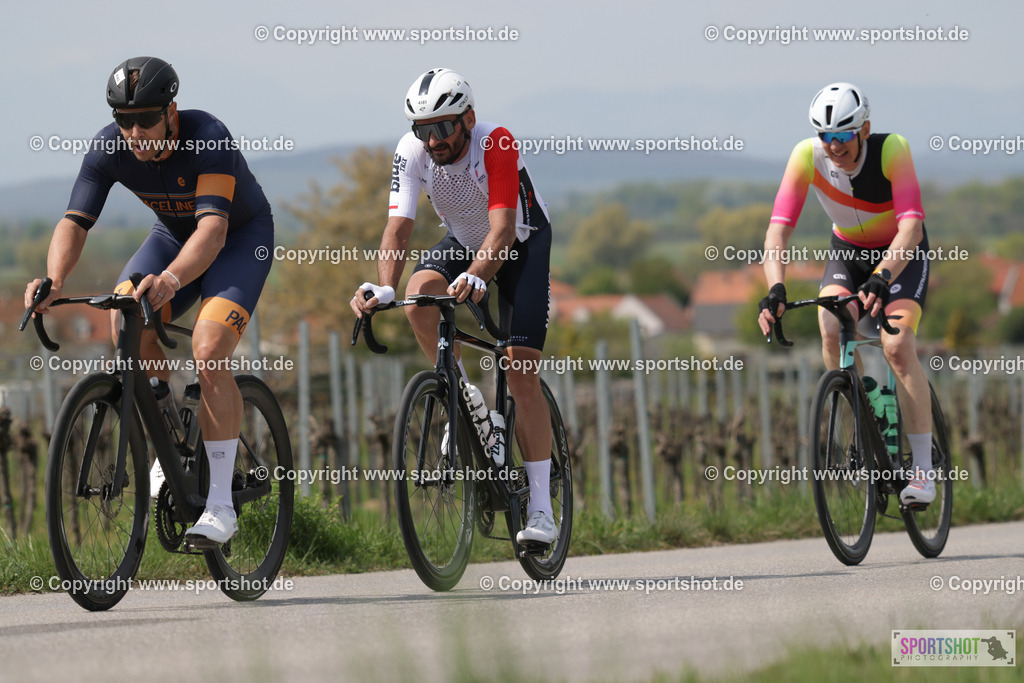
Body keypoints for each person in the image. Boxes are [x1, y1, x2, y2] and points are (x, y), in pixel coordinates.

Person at [25, 56, 274, 545]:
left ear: (171, 112)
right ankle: (168, 431)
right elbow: (74, 222)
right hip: (173, 236)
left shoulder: (208, 136)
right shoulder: (107, 148)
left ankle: (221, 504)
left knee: (208, 348)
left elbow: (214, 230)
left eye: (145, 119)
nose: (134, 132)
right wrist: (54, 279)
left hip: (238, 239)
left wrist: (171, 279)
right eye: (124, 121)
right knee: (124, 322)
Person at [350, 67, 557, 544]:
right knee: (419, 296)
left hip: (521, 244)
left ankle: (542, 510)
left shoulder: (496, 143)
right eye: (423, 130)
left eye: (443, 127)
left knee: (520, 367)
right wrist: (385, 286)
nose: (434, 140)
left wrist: (477, 275)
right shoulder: (411, 152)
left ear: (469, 119)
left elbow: (503, 231)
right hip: (465, 240)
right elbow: (398, 228)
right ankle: (465, 396)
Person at [757, 82, 935, 506]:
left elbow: (910, 226)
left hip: (901, 254)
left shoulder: (893, 149)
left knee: (896, 345)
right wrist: (775, 289)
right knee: (831, 328)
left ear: (864, 129)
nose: (833, 146)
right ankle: (867, 421)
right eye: (825, 136)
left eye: (842, 135)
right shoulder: (806, 156)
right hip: (848, 252)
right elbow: (778, 231)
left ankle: (925, 473)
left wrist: (883, 274)